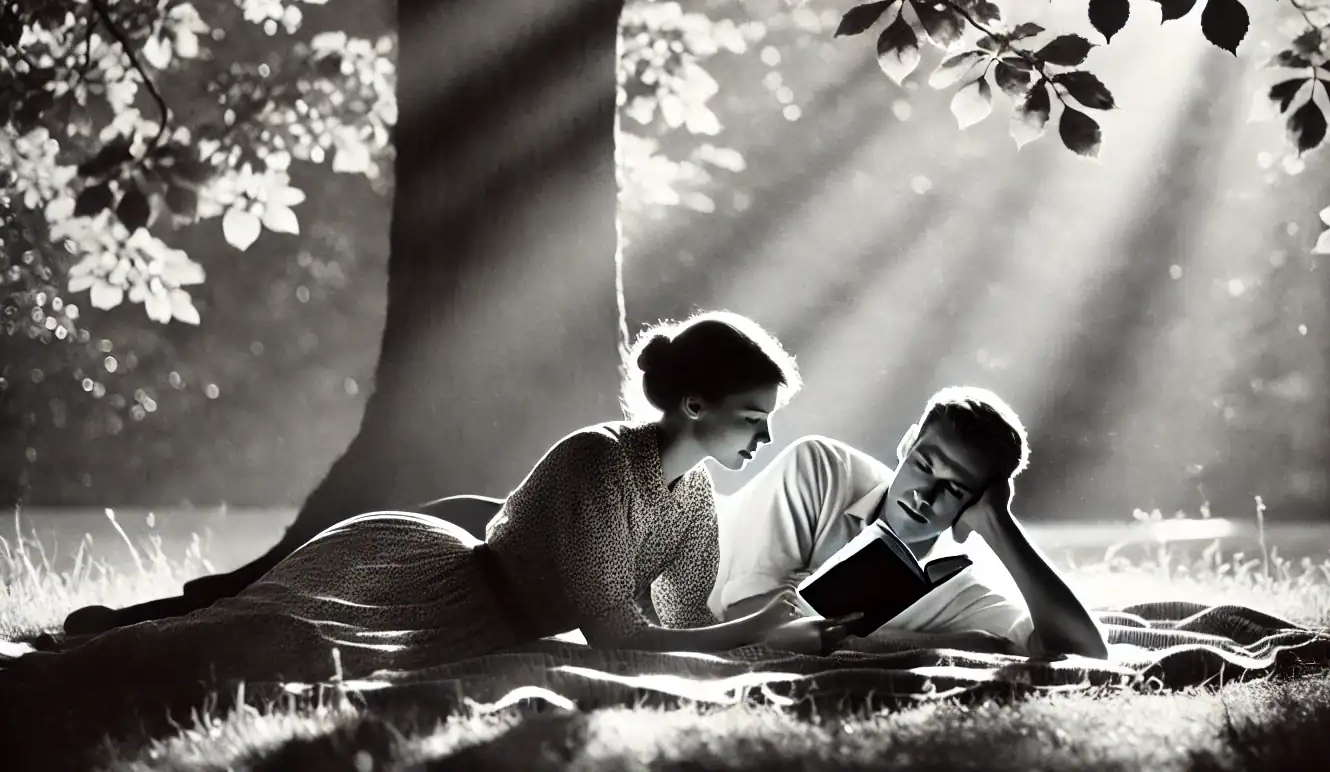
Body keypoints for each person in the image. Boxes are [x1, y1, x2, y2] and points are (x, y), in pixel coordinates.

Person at [5, 312, 854, 706]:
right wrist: (759, 632)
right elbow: (615, 635)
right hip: (418, 579)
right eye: (754, 415)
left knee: (245, 652)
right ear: (695, 405)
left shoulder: (696, 496)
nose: (767, 436)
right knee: (249, 647)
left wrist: (786, 629)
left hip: (488, 613)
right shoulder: (598, 461)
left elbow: (686, 624)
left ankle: (126, 626)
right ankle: (101, 634)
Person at [712, 386, 1109, 660]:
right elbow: (744, 618)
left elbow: (1085, 653)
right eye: (923, 465)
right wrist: (950, 642)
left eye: (954, 489)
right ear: (907, 444)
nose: (924, 495)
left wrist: (1000, 526)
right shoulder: (821, 470)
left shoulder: (961, 583)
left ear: (978, 500)